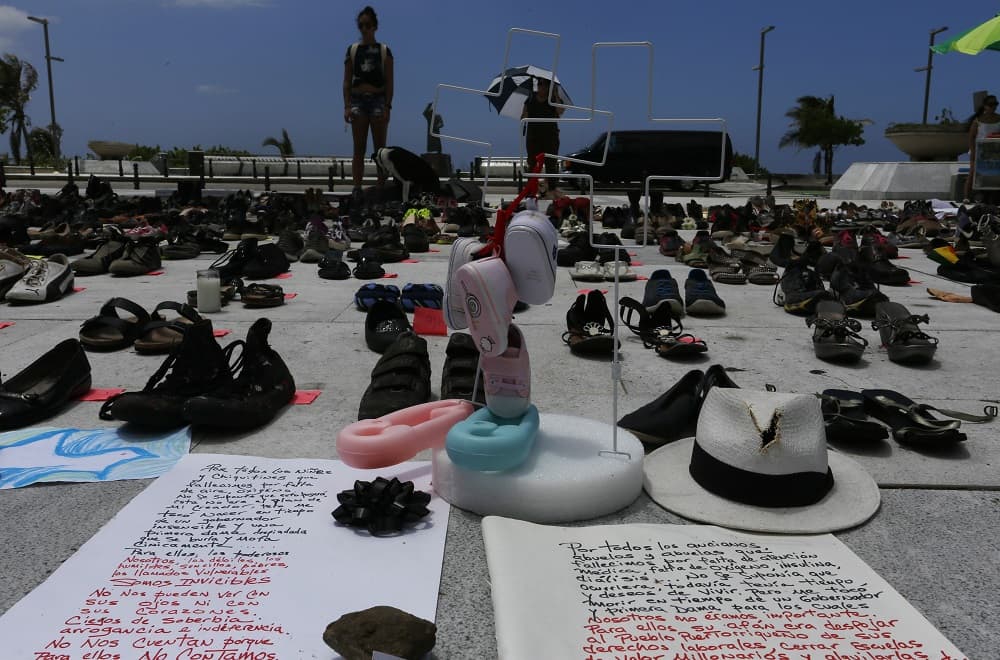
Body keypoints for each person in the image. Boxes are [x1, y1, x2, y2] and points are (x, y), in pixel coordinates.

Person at [343, 6, 393, 202]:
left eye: (368, 25)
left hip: (378, 99)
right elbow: (346, 80)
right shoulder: (353, 50)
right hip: (357, 100)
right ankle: (357, 187)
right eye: (361, 25)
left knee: (380, 149)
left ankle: (380, 187)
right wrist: (347, 105)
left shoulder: (384, 51)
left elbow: (389, 81)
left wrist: (388, 106)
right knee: (359, 147)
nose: (364, 29)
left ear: (375, 26)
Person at [521, 77, 564, 197]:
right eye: (539, 83)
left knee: (551, 163)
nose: (541, 86)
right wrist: (526, 111)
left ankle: (552, 189)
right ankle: (531, 190)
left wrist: (555, 94)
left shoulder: (553, 99)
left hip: (550, 136)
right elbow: (523, 116)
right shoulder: (530, 98)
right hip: (533, 136)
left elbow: (560, 111)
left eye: (545, 84)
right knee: (532, 163)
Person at [965, 94, 1000, 202]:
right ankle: (966, 196)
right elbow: (971, 137)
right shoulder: (978, 121)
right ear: (985, 106)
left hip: (995, 151)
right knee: (973, 171)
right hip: (979, 151)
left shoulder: (999, 119)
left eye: (996, 104)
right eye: (991, 104)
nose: (994, 106)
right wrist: (973, 152)